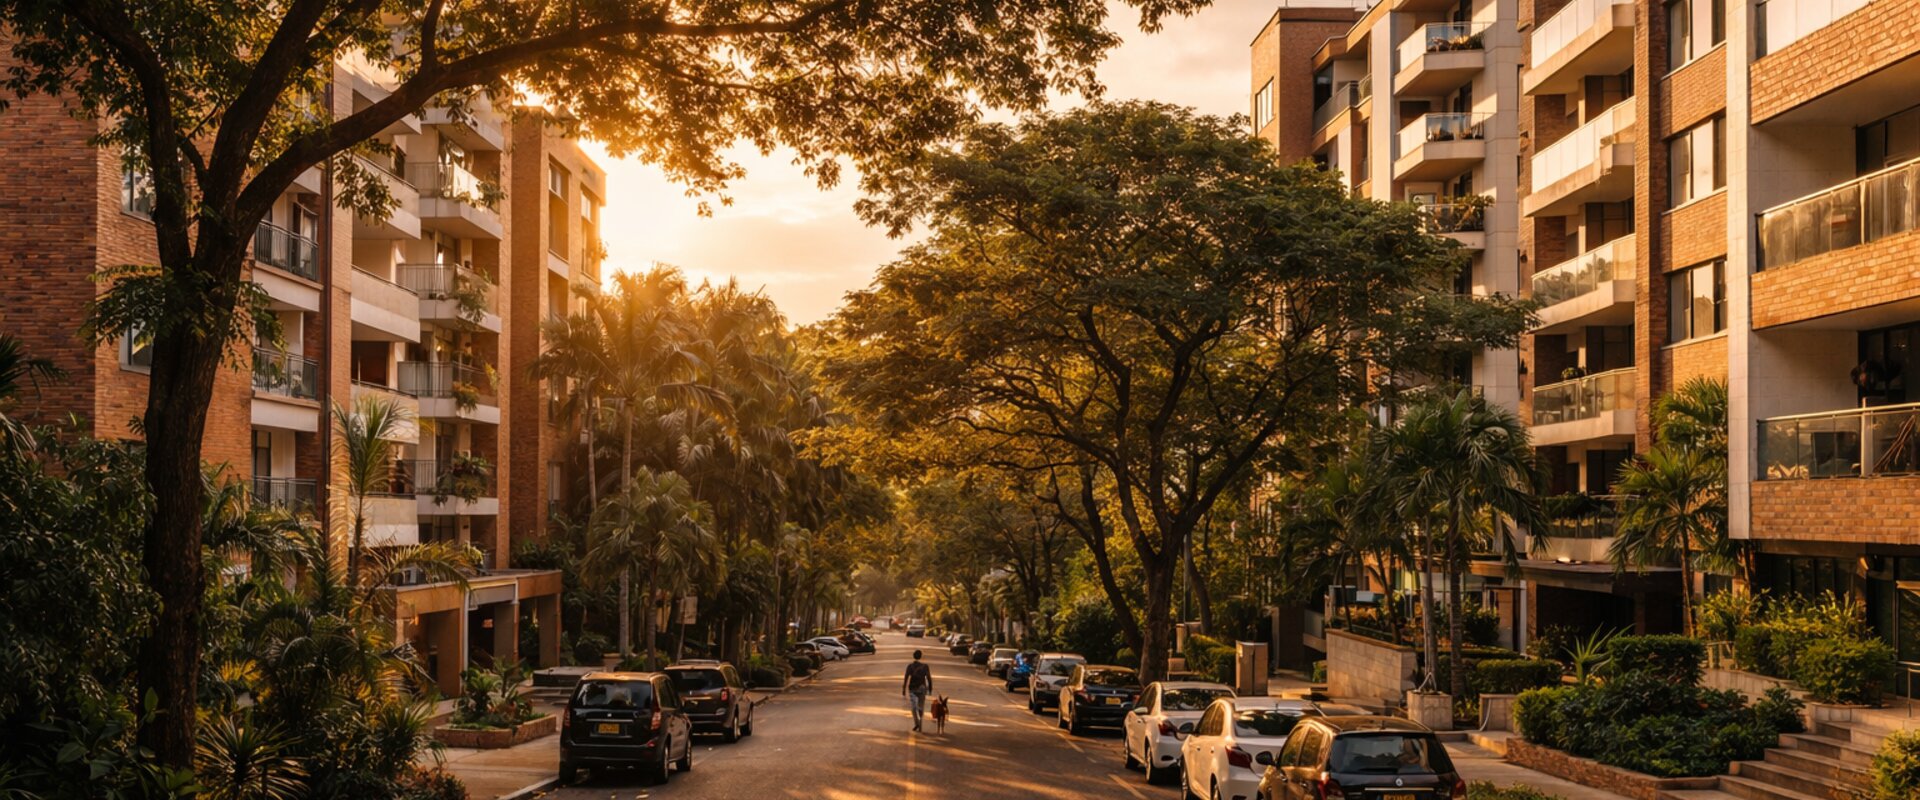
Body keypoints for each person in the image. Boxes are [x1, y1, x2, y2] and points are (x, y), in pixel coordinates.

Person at [902, 649, 934, 732]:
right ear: (921, 656)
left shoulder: (910, 666)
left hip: (912, 688)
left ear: (913, 656)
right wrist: (930, 688)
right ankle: (920, 717)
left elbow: (906, 678)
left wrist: (903, 689)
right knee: (921, 705)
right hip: (922, 688)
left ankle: (917, 723)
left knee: (913, 707)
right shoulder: (925, 666)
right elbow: (929, 678)